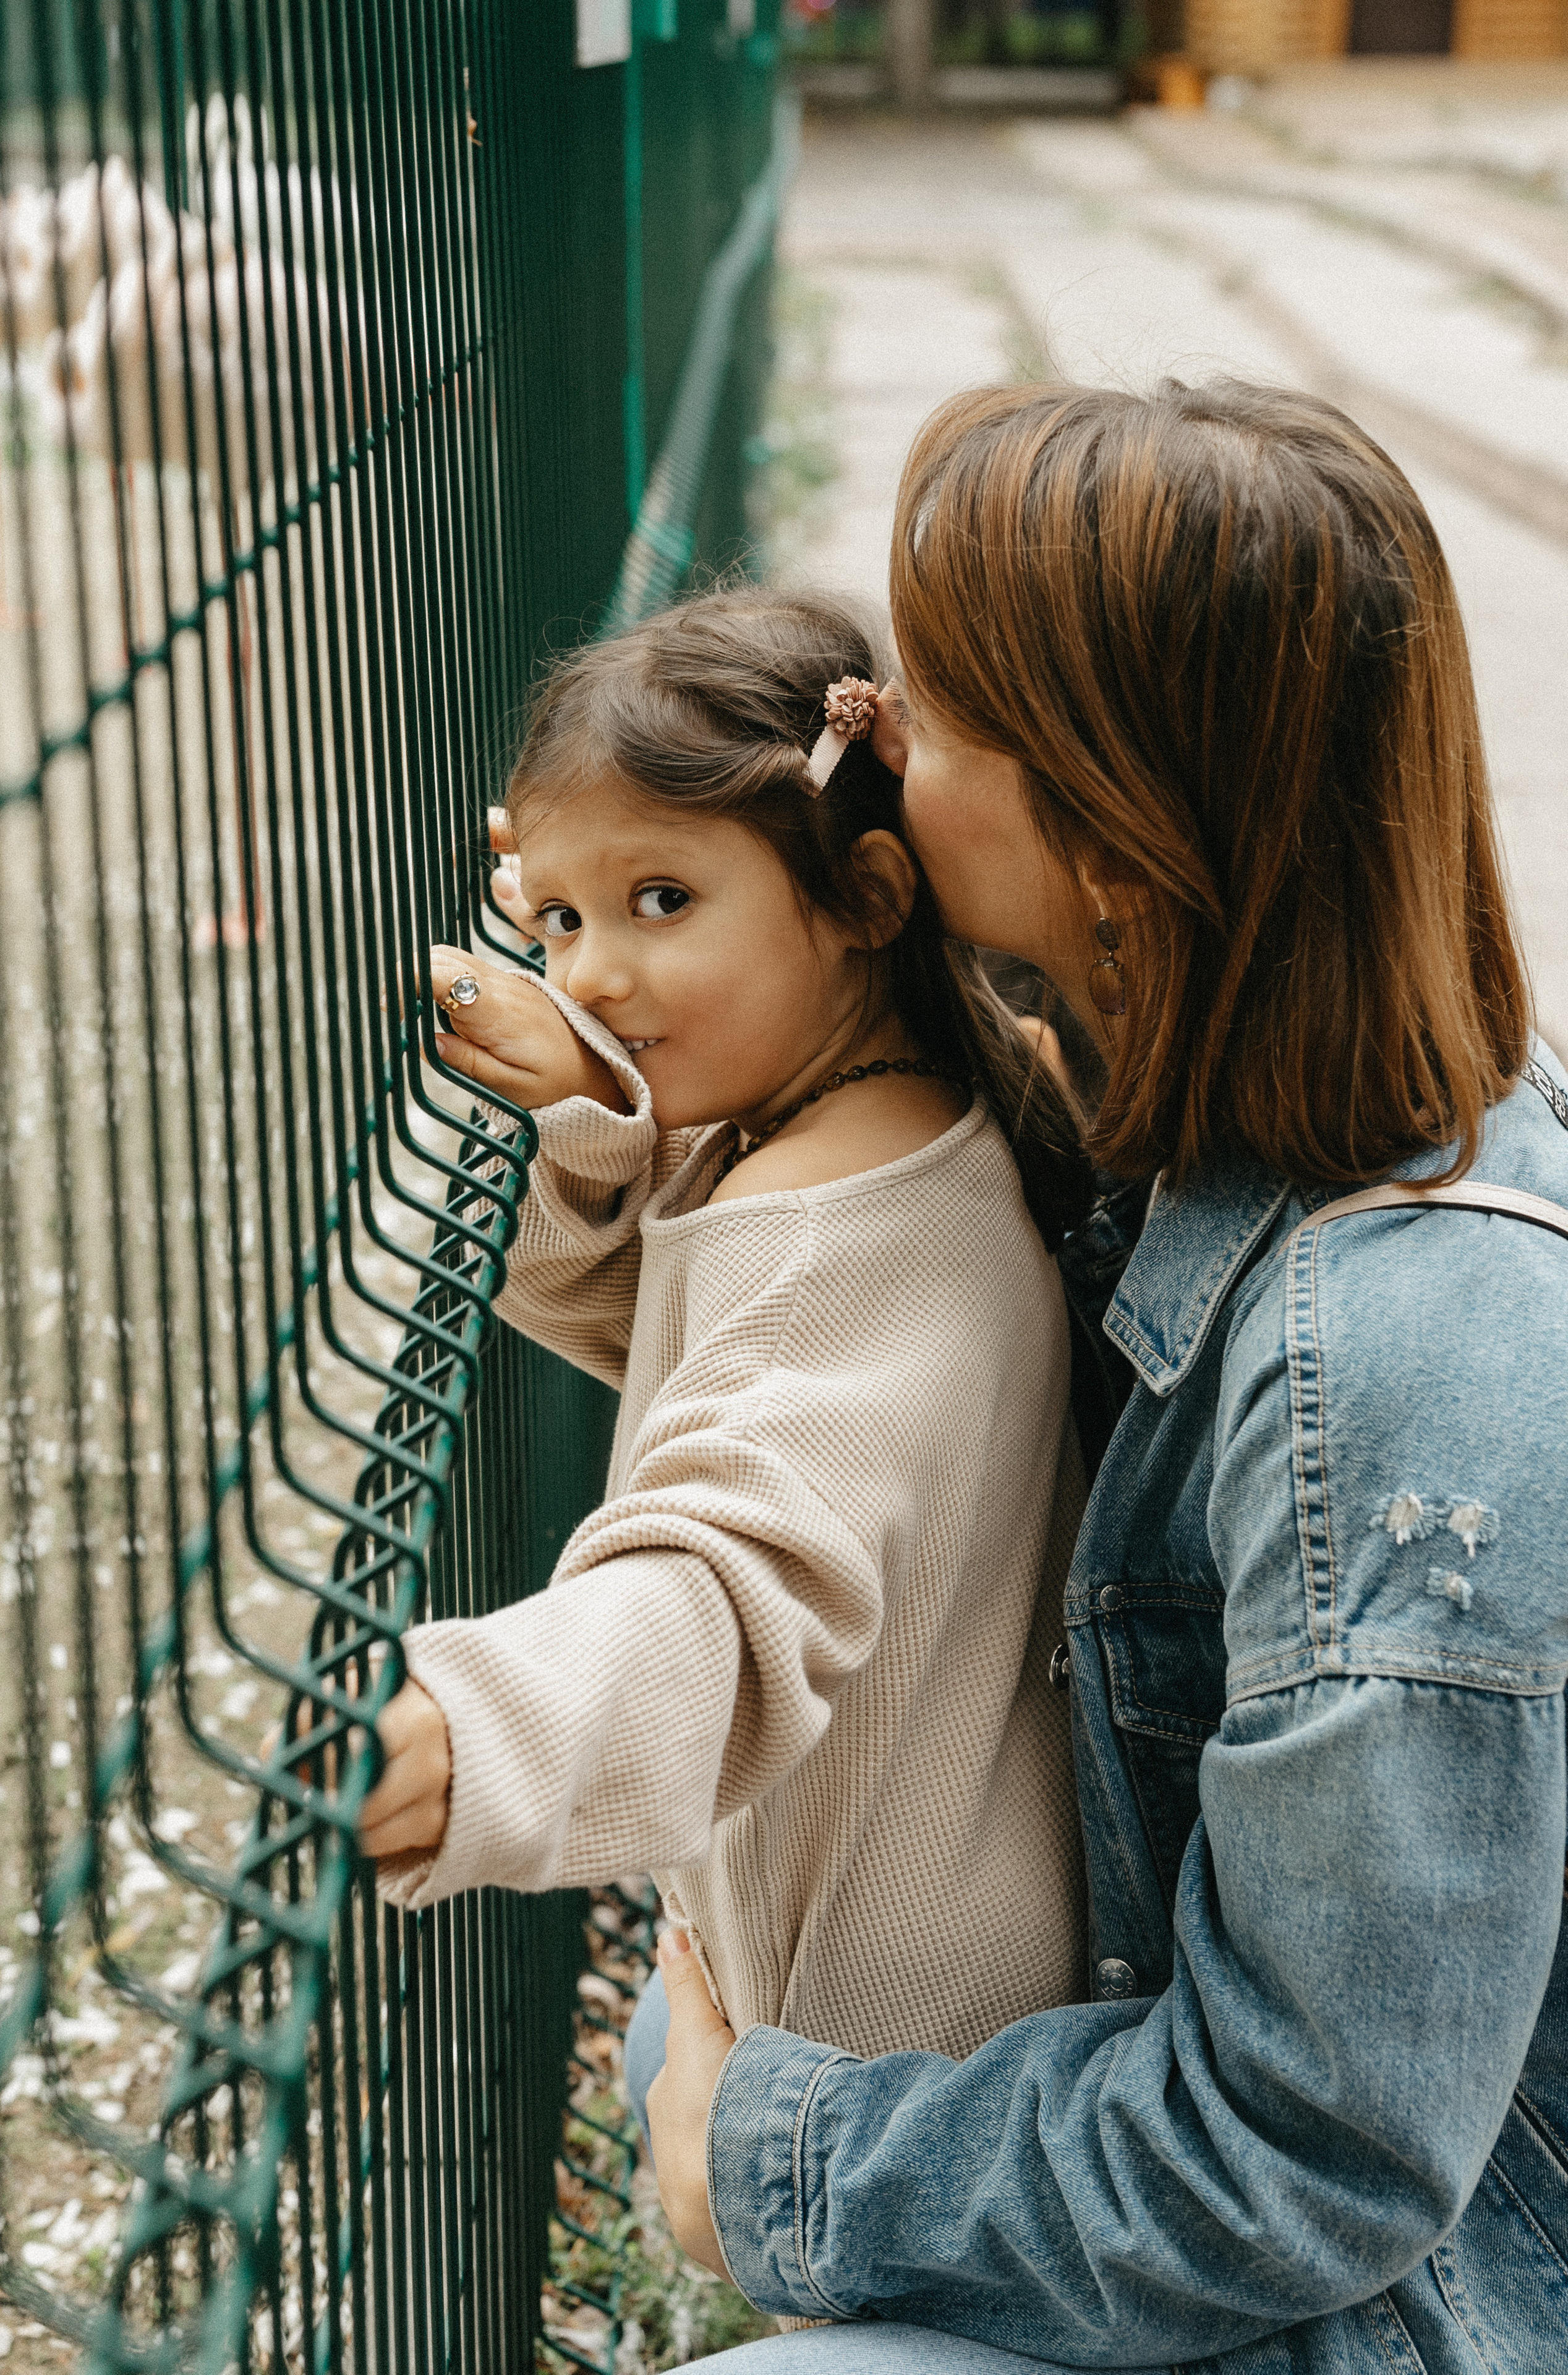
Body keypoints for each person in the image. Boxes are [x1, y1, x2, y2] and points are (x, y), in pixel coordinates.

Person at [642, 382, 1568, 2373]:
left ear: (1120, 850)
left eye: (940, 708)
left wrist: (788, 2160)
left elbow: (1311, 2155)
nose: (871, 730)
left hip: (1421, 2309)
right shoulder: (1211, 1085)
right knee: (689, 2025)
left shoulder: (1391, 1369)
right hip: (1298, 2180)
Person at [358, 588, 1101, 2090]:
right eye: (559, 920)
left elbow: (725, 1579)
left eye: (663, 902)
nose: (587, 977)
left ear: (867, 900)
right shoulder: (887, 1127)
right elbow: (679, 1347)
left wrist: (462, 1733)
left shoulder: (830, 1233)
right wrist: (599, 1109)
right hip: (938, 1979)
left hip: (883, 2069)